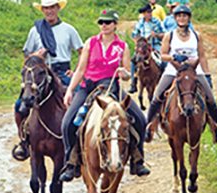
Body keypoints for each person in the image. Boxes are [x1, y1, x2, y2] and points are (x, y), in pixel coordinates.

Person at [59, 9, 150, 182]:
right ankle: (71, 162)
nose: (104, 26)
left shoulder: (122, 46)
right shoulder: (90, 43)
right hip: (89, 87)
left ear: (115, 24)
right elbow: (80, 69)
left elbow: (128, 74)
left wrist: (124, 73)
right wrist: (70, 90)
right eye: (101, 22)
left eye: (107, 22)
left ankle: (138, 159)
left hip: (113, 87)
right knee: (67, 123)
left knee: (140, 119)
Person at [13, 0, 83, 161]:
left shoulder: (69, 29)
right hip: (41, 75)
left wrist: (75, 70)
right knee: (19, 105)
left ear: (58, 8)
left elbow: (82, 52)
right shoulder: (35, 30)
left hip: (62, 72)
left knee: (80, 100)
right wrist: (35, 56)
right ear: (42, 10)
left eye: (52, 7)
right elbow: (26, 54)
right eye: (46, 8)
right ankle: (24, 140)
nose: (49, 11)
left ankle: (78, 143)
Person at [146, 5, 217, 145]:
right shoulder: (169, 35)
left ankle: (216, 129)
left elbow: (201, 56)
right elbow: (163, 55)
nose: (181, 18)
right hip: (174, 70)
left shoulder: (197, 36)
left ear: (188, 18)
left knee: (210, 98)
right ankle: (148, 128)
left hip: (194, 70)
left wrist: (206, 75)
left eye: (184, 16)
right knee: (157, 96)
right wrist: (173, 58)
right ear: (175, 18)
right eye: (179, 16)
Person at [127, 4, 164, 94]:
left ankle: (166, 81)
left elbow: (163, 35)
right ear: (144, 14)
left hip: (155, 44)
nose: (150, 14)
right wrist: (137, 45)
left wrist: (157, 35)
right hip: (143, 47)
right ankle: (133, 82)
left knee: (163, 60)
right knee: (133, 61)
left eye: (151, 12)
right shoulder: (139, 23)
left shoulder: (157, 21)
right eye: (148, 12)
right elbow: (134, 36)